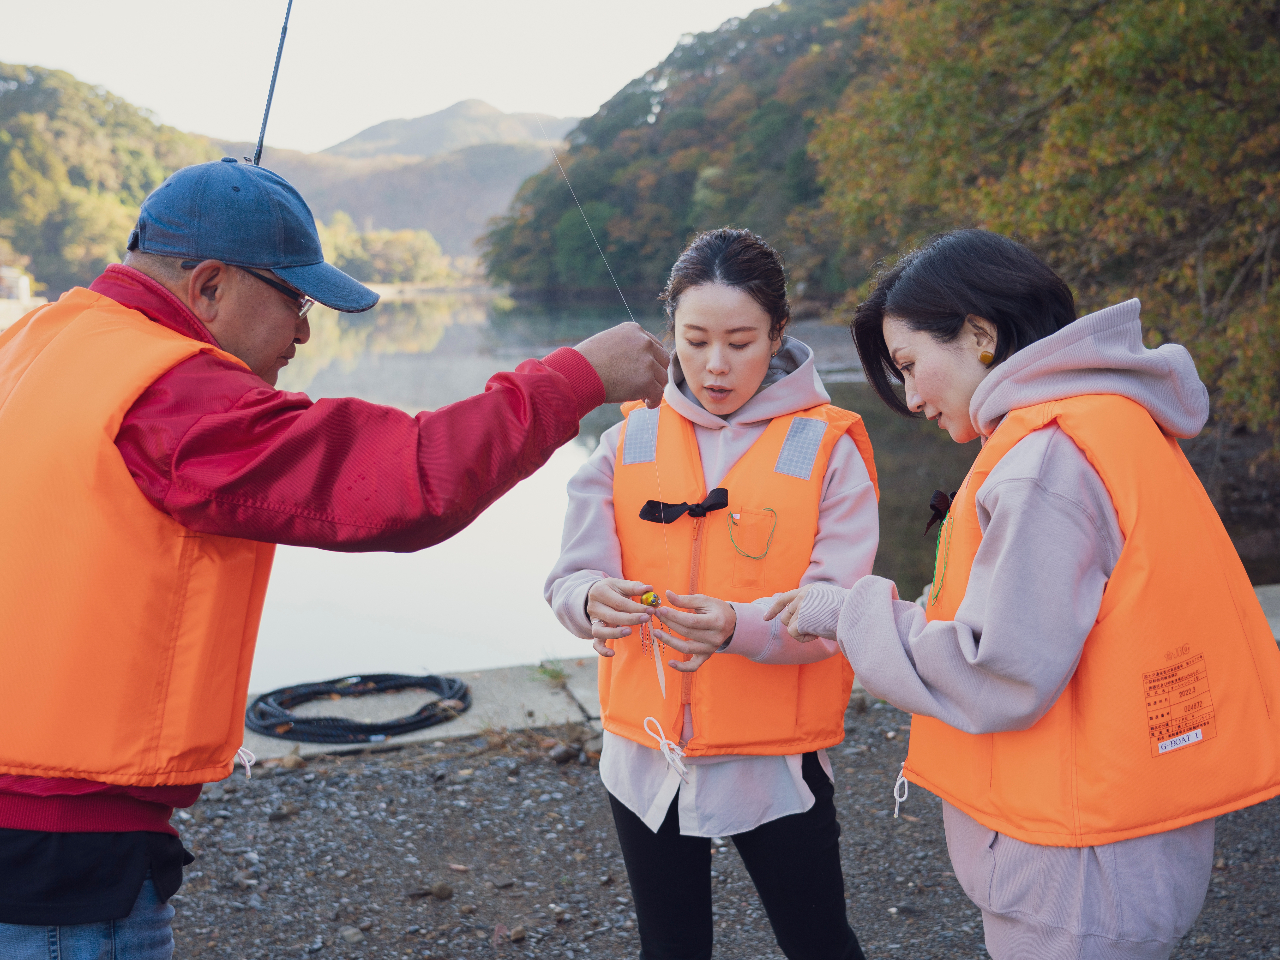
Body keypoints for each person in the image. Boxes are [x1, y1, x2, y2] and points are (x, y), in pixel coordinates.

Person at [0, 158, 668, 957]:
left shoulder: (34, 343)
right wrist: (577, 378)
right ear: (210, 285)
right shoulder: (166, 394)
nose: (305, 332)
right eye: (297, 299)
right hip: (62, 852)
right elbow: (407, 481)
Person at [768, 229, 1280, 959]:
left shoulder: (1041, 459)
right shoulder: (1113, 420)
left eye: (911, 365)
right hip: (1132, 837)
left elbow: (999, 668)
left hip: (1076, 868)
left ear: (980, 334)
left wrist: (848, 613)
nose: (911, 398)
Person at [546, 228, 879, 960]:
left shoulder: (827, 445)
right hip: (645, 753)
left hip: (774, 758)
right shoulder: (626, 440)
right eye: (695, 341)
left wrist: (740, 626)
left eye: (741, 340)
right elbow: (570, 576)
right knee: (669, 949)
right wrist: (589, 598)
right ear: (671, 333)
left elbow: (843, 609)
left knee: (819, 941)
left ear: (780, 333)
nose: (716, 365)